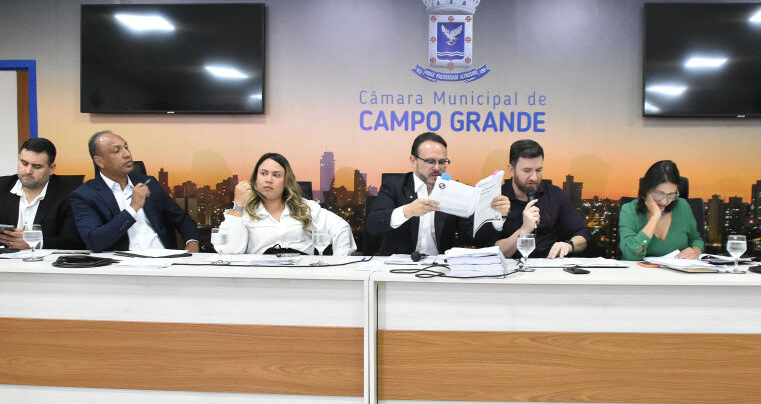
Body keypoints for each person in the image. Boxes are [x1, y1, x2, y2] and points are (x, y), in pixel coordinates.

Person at [366, 132, 510, 256]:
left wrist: (497, 217)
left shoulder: (454, 191)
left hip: (439, 268)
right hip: (397, 267)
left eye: (442, 162)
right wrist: (407, 211)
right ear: (413, 161)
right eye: (430, 161)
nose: (437, 168)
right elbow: (373, 224)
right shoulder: (394, 186)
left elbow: (475, 238)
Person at [70, 130, 199, 252]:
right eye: (117, 151)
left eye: (126, 147)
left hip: (164, 258)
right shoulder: (85, 195)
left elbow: (182, 218)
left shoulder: (149, 183)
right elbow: (95, 241)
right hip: (122, 264)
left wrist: (192, 242)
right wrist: (133, 208)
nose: (127, 154)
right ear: (100, 161)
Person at [218, 152, 356, 255]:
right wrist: (238, 206)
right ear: (255, 179)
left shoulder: (305, 207)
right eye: (263, 173)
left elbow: (341, 228)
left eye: (276, 175)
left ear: (286, 182)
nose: (268, 179)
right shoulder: (242, 213)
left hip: (302, 276)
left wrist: (338, 264)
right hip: (261, 277)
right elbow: (229, 252)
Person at [490, 139, 590, 259]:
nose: (534, 177)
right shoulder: (497, 199)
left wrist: (569, 245)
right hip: (509, 268)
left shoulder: (555, 195)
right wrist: (525, 229)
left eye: (538, 170)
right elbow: (490, 250)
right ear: (511, 170)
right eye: (527, 171)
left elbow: (583, 234)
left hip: (549, 266)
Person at [0, 137, 84, 250]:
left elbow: (75, 241)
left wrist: (36, 243)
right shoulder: (2, 187)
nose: (28, 171)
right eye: (24, 163)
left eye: (37, 167)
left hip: (49, 260)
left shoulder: (71, 192)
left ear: (51, 168)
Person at [618, 160, 704, 260]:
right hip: (638, 269)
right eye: (659, 193)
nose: (664, 201)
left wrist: (696, 251)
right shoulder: (629, 210)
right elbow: (630, 253)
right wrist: (655, 218)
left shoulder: (683, 206)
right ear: (647, 190)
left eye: (671, 194)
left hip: (677, 269)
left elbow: (695, 239)